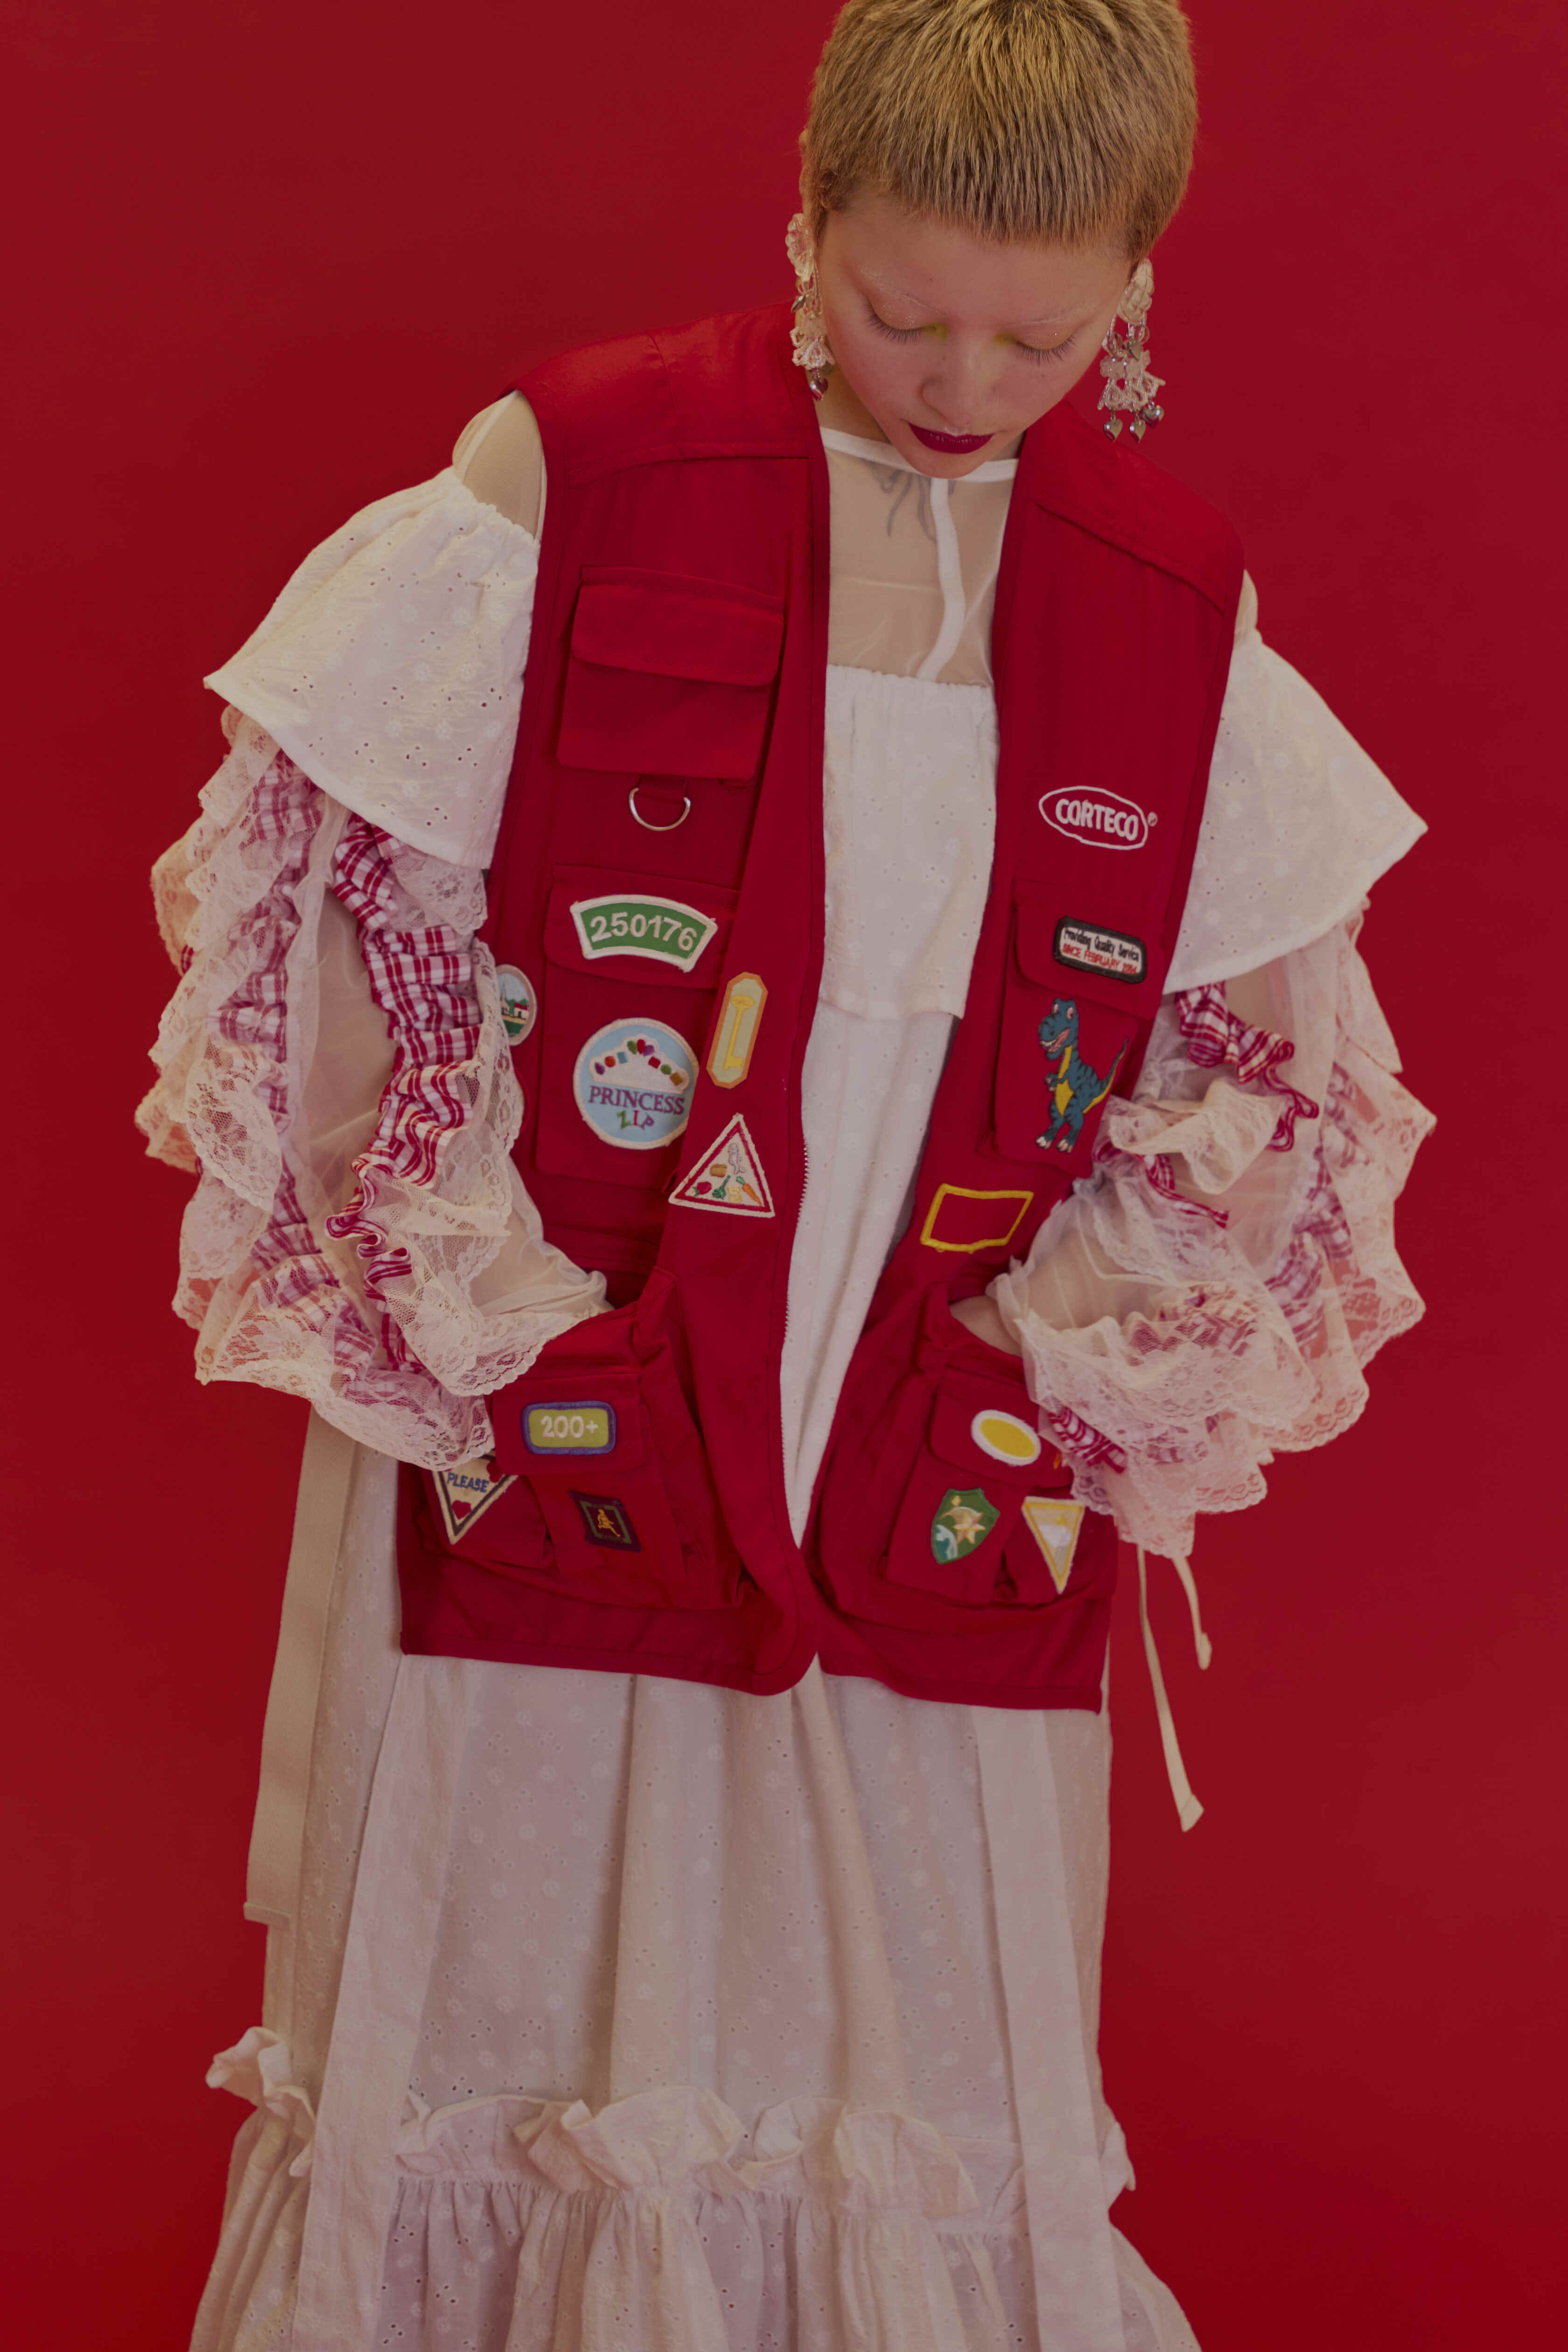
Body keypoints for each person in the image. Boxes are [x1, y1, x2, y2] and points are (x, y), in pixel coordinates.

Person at [140, 4, 1433, 2346]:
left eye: (1045, 339)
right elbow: (340, 935)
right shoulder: (574, 474)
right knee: (504, 2012)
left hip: (928, 1392)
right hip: (577, 1347)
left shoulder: (1166, 594)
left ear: (1138, 291)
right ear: (809, 217)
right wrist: (509, 1327)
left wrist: (1040, 1363)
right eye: (904, 311)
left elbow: (1258, 1063)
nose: (966, 383)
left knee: (904, 2065)